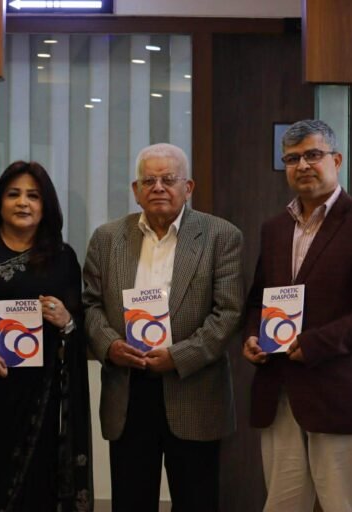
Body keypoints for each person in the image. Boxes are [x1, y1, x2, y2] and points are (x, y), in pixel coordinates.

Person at [242, 120, 352, 512]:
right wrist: (253, 335)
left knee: (341, 505)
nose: (302, 165)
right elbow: (260, 298)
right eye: (292, 158)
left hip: (338, 394)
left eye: (313, 155)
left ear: (337, 160)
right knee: (282, 505)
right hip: (279, 391)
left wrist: (315, 344)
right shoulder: (275, 229)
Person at [83, 143, 243, 512]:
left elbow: (228, 313)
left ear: (188, 187)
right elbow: (89, 304)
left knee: (197, 502)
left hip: (194, 389)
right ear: (135, 190)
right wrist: (110, 346)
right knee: (131, 501)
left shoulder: (220, 236)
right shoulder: (107, 238)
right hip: (128, 389)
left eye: (169, 179)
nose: (158, 187)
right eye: (149, 180)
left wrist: (177, 356)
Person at [0, 161, 92, 511]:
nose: (23, 202)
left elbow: (77, 322)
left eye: (33, 196)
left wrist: (65, 318)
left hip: (41, 393)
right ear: (0, 202)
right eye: (14, 194)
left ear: (45, 205)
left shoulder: (63, 257)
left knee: (38, 482)